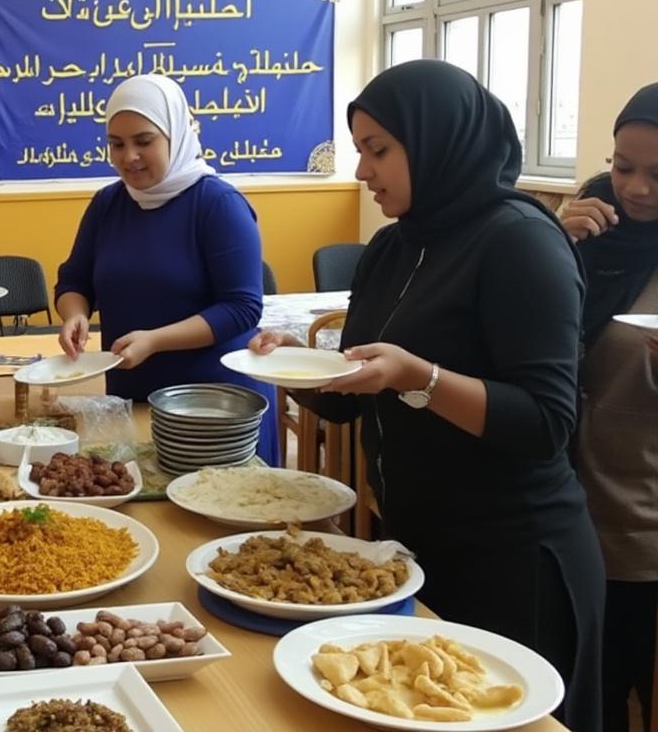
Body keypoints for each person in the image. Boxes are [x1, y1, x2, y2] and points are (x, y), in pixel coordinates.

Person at [250, 60, 603, 730]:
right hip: (418, 549)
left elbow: (546, 421)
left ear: (441, 139)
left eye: (378, 150)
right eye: (359, 151)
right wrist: (288, 366)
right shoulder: (392, 248)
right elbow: (355, 396)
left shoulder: (521, 243)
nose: (362, 172)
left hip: (515, 558)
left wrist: (424, 377)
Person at [54, 74, 278, 464]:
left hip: (214, 408)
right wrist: (75, 315)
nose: (128, 157)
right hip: (135, 397)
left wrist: (155, 340)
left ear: (175, 135)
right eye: (116, 144)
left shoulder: (218, 204)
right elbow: (75, 280)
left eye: (144, 141)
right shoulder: (108, 204)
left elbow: (242, 308)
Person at [559, 82, 658, 732]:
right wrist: (551, 244)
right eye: (624, 167)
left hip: (638, 529)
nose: (637, 189)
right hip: (560, 509)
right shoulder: (589, 230)